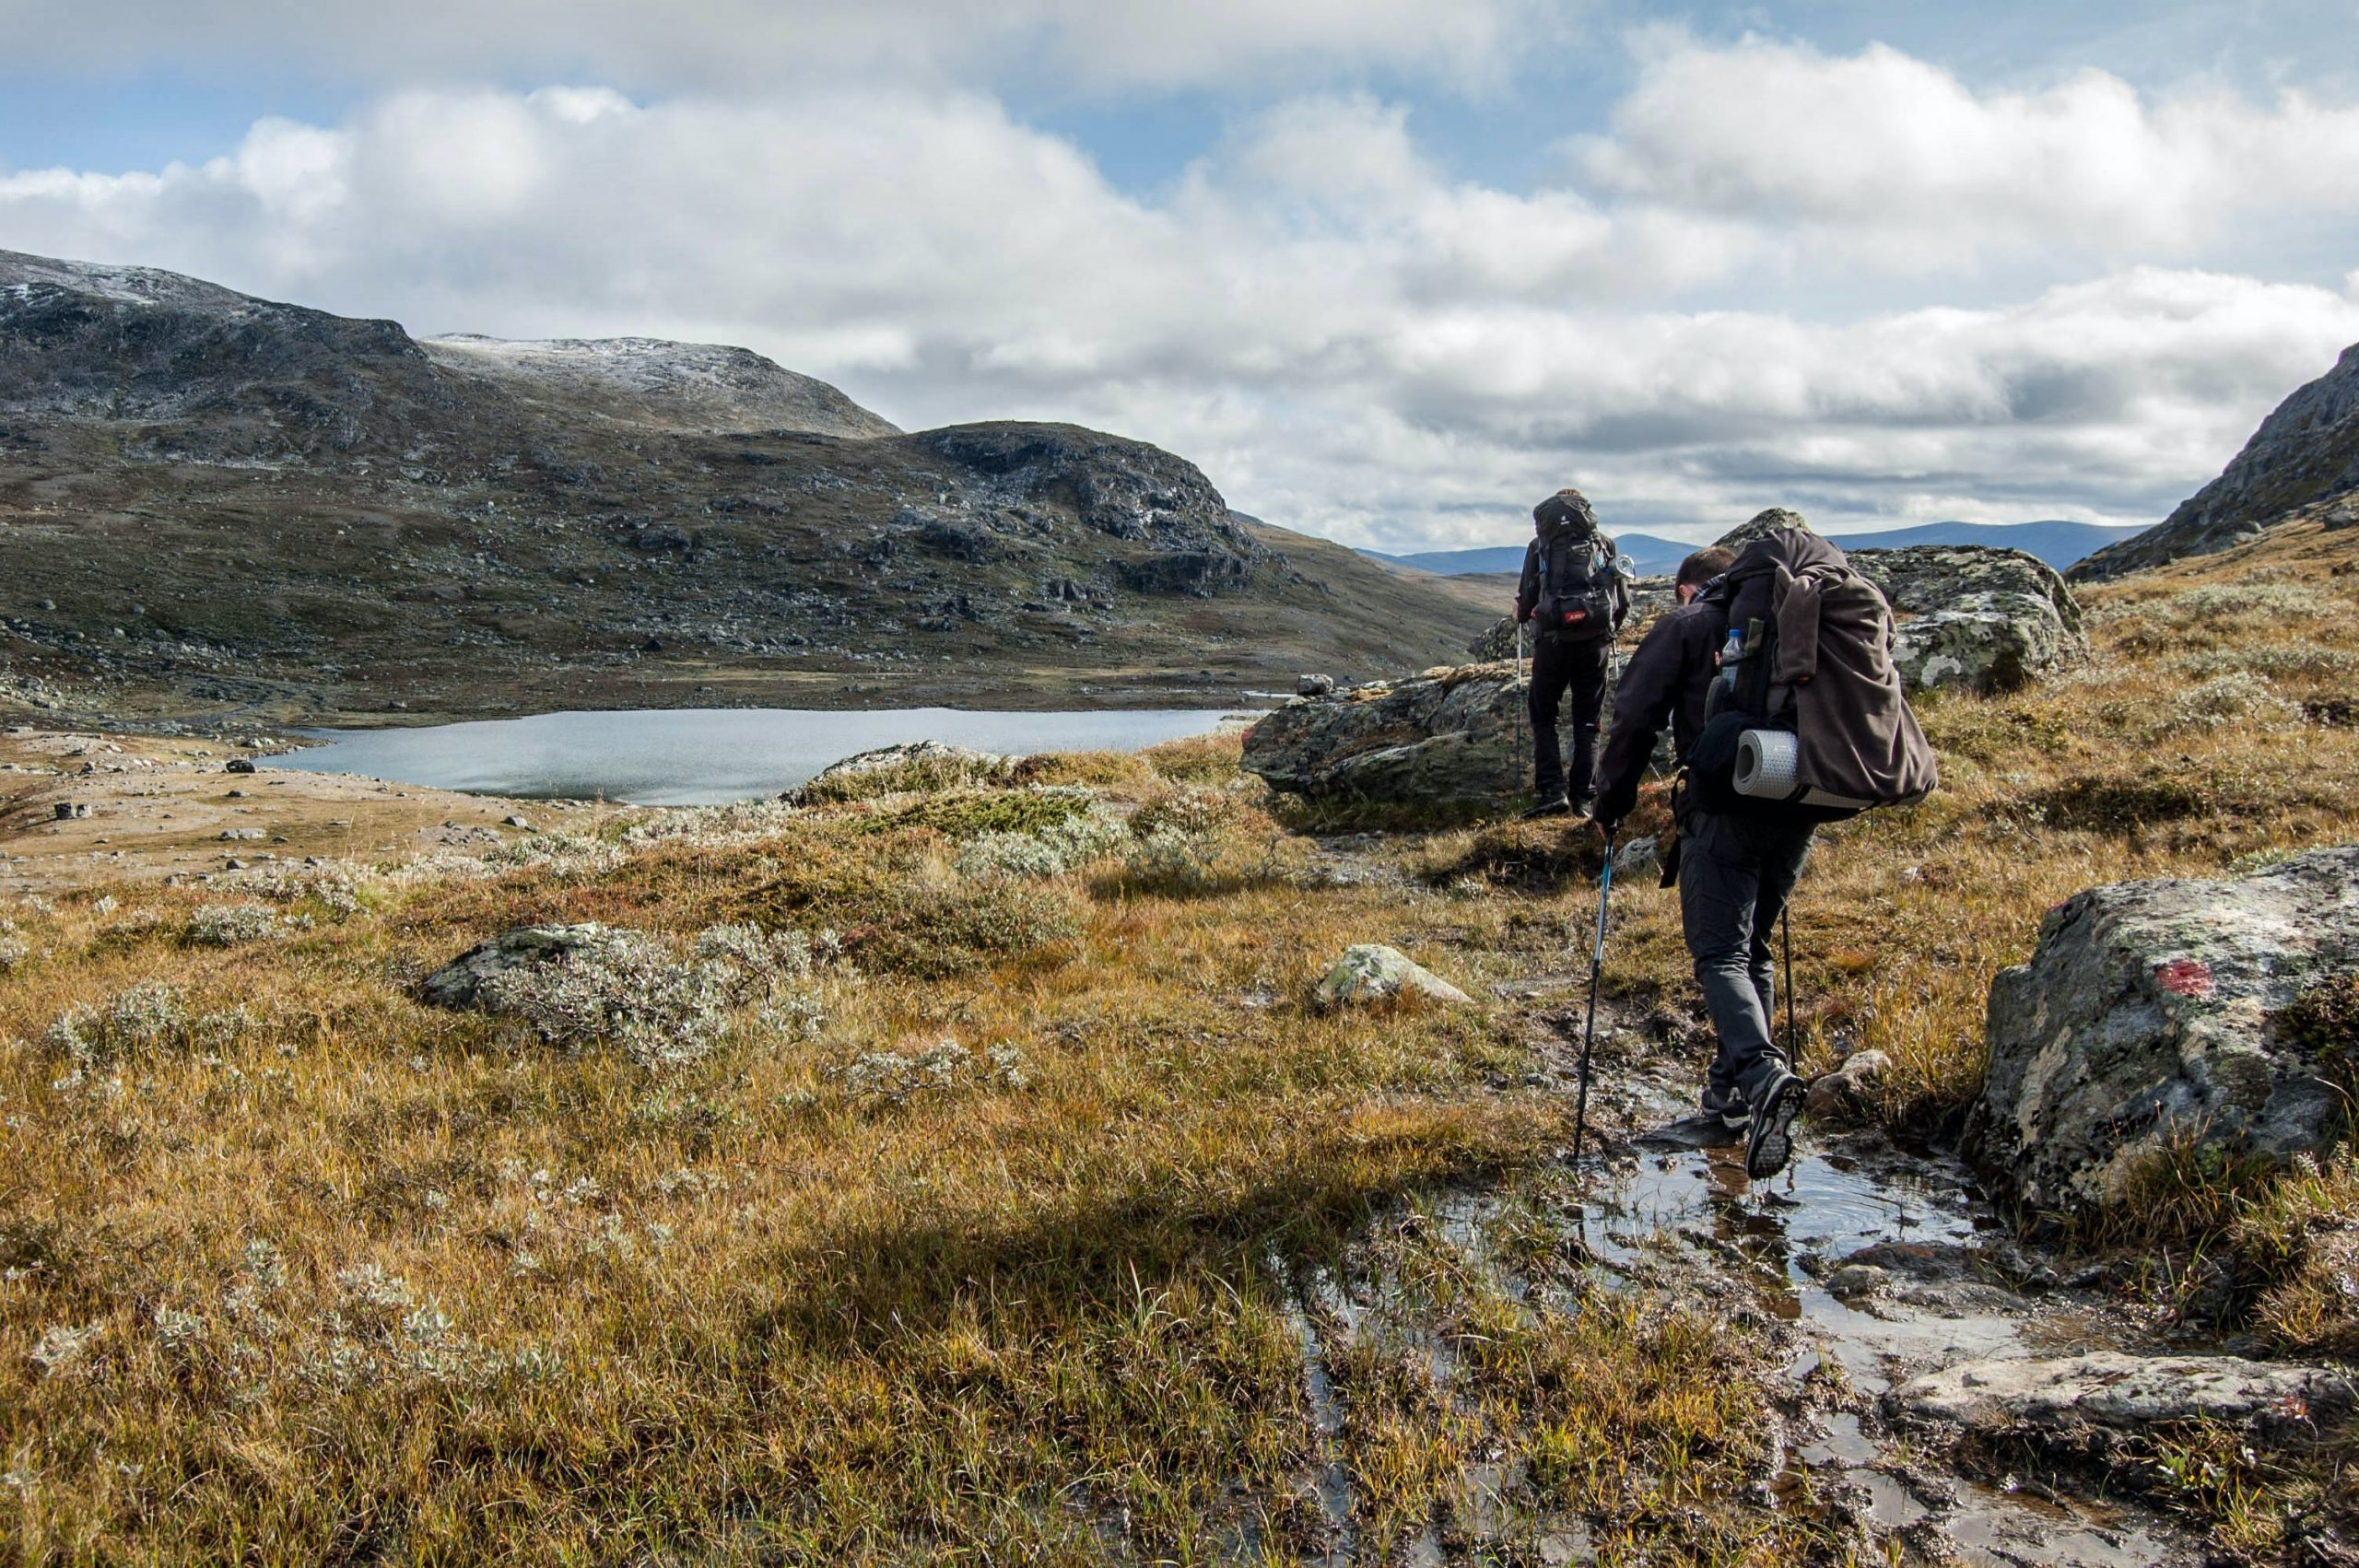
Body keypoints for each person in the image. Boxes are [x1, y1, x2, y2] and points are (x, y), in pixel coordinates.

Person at [1590, 543, 1809, 1180]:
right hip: (1799, 794)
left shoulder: (1688, 623)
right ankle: (1732, 1104)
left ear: (1694, 588)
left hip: (1725, 803)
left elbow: (1634, 717)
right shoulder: (1799, 618)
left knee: (1721, 953)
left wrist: (1610, 804)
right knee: (1752, 947)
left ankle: (1764, 1080)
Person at [1513, 487, 1629, 817]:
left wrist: (1520, 614)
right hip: (1594, 644)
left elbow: (1527, 598)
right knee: (1588, 721)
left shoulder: (1540, 546)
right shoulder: (1603, 544)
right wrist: (1608, 633)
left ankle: (1551, 792)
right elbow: (1622, 600)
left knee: (1544, 714)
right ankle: (1583, 799)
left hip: (1552, 644)